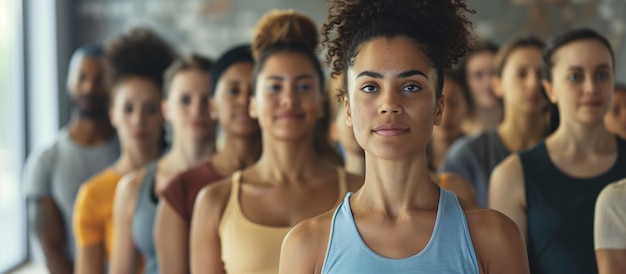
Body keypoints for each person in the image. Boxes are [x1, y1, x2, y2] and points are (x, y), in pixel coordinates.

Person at [279, 0, 528, 273]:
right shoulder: (307, 245)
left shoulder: (494, 237)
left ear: (438, 107)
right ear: (348, 109)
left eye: (411, 86)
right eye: (370, 87)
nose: (389, 104)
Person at [189, 10, 363, 274]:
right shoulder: (215, 201)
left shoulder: (360, 192)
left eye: (303, 87)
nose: (289, 100)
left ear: (320, 104)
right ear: (253, 105)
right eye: (274, 86)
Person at [490, 28, 626, 274]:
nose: (591, 88)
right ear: (550, 89)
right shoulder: (512, 176)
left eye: (602, 75)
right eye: (575, 77)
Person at [109, 30, 216, 274]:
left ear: (219, 105)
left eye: (207, 99)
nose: (197, 110)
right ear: (166, 108)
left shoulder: (237, 177)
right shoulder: (132, 188)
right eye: (185, 100)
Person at [71, 28, 172, 274]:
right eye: (128, 109)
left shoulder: (181, 180)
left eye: (149, 109)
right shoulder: (92, 195)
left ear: (164, 113)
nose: (138, 121)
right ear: (112, 113)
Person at [154, 44, 262, 274]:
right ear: (214, 105)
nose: (244, 100)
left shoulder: (294, 180)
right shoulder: (180, 190)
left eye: (254, 90)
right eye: (233, 91)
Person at [24, 45, 120, 274]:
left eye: (100, 79)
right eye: (82, 77)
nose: (89, 87)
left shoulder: (132, 150)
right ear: (70, 82)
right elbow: (49, 246)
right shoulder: (46, 160)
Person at [441, 36, 548, 207]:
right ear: (498, 84)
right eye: (521, 74)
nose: (533, 84)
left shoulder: (570, 150)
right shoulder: (466, 155)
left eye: (541, 74)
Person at [458, 41, 502, 135]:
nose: (487, 84)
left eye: (493, 73)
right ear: (465, 80)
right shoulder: (453, 131)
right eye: (478, 75)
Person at [429, 71, 470, 171]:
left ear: (467, 108)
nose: (445, 114)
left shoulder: (477, 156)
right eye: (437, 104)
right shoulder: (410, 158)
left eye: (453, 103)